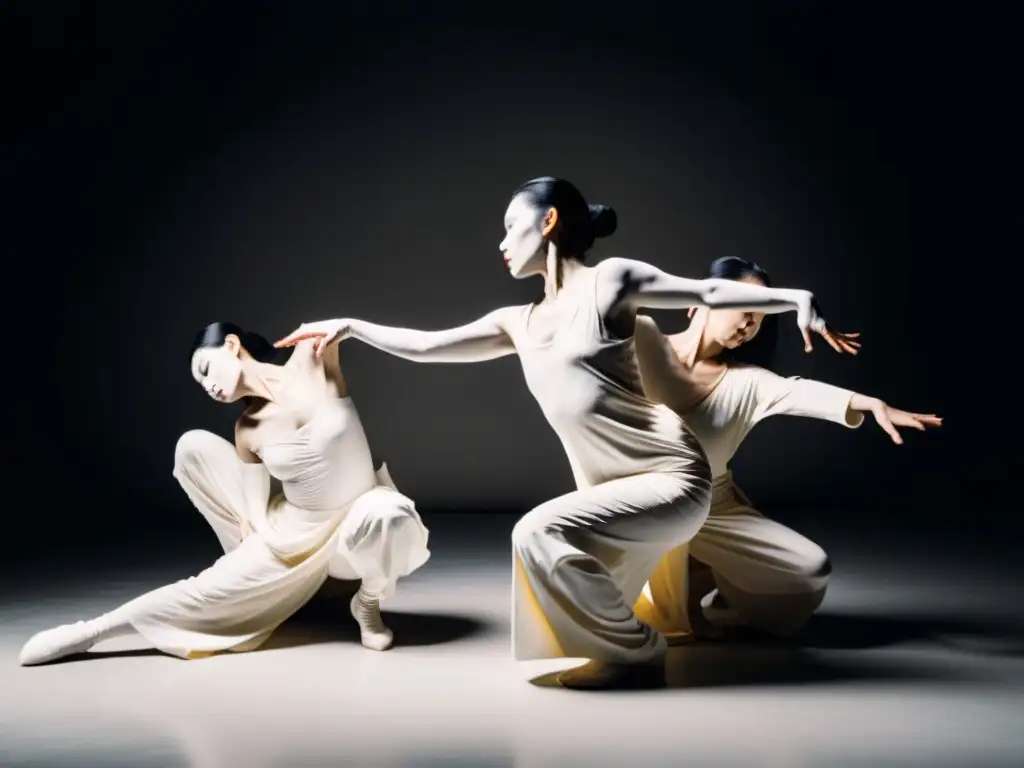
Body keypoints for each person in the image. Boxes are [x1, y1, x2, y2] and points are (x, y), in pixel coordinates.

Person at [274, 177, 858, 689]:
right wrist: (350, 326)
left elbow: (704, 291)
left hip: (672, 476)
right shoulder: (517, 323)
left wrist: (794, 299)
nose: (501, 242)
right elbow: (428, 346)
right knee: (553, 544)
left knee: (536, 532)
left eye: (510, 226)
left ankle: (633, 652)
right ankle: (618, 645)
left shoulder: (609, 284)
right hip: (612, 488)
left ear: (549, 221)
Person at [19, 322, 431, 666]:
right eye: (200, 384)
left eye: (205, 369)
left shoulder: (312, 358)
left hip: (354, 532)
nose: (207, 387)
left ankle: (367, 603)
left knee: (389, 512)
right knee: (192, 460)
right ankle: (91, 632)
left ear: (232, 346)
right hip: (292, 538)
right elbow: (253, 509)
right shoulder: (246, 430)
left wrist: (348, 323)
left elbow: (351, 330)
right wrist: (250, 550)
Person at [631, 256, 941, 641]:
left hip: (713, 506)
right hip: (647, 502)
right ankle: (681, 586)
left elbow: (799, 390)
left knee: (810, 570)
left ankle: (706, 578)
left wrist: (874, 403)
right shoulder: (641, 342)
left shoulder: (748, 381)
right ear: (704, 297)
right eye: (747, 308)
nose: (751, 324)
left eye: (761, 318)